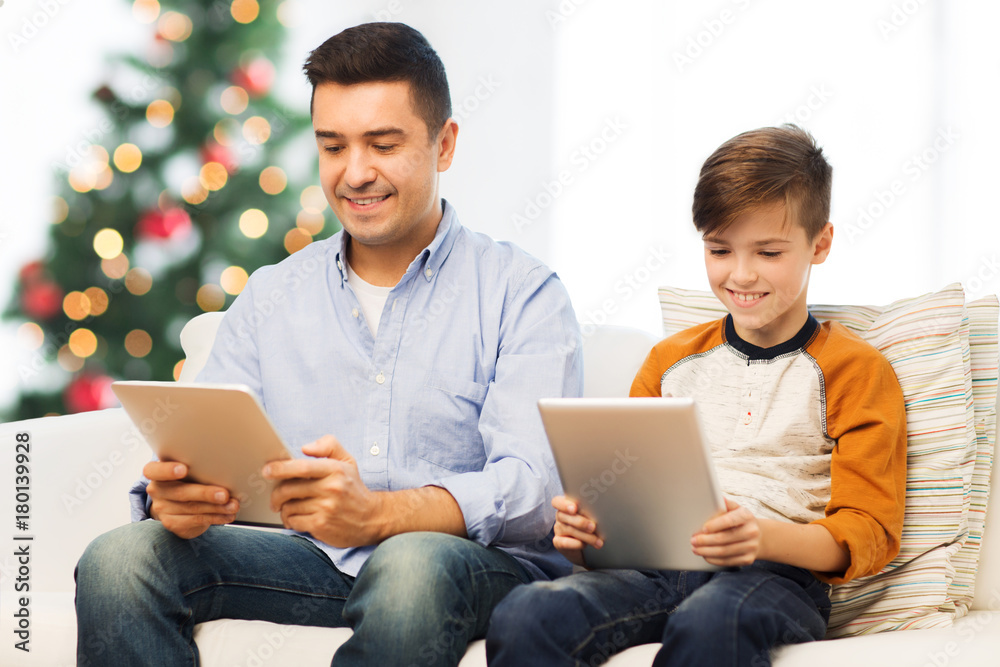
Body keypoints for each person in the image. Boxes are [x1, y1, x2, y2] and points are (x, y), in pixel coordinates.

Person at [75, 22, 582, 667]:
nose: (356, 173)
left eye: (383, 144)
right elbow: (205, 449)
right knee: (121, 559)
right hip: (307, 558)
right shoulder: (271, 295)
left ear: (444, 143)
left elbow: (533, 488)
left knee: (410, 565)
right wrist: (181, 498)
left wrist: (378, 515)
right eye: (333, 146)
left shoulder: (523, 291)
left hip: (467, 567)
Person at [485, 125, 908, 667]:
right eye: (719, 249)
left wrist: (761, 538)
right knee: (527, 612)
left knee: (711, 623)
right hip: (651, 571)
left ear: (819, 243)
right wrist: (581, 539)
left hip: (769, 578)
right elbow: (622, 516)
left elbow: (867, 532)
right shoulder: (669, 362)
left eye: (769, 251)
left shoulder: (856, 370)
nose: (741, 273)